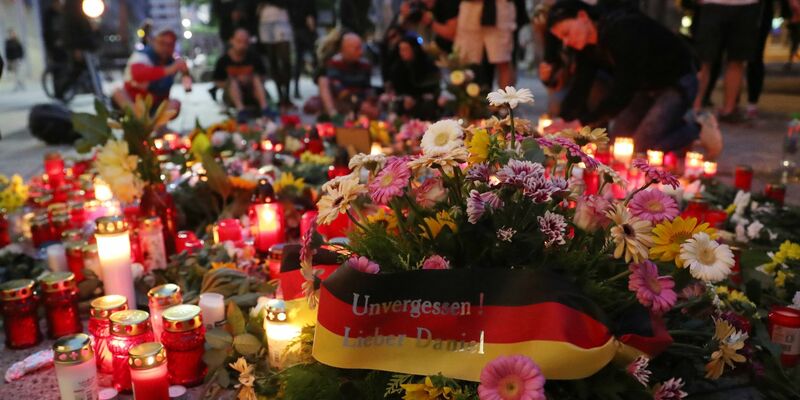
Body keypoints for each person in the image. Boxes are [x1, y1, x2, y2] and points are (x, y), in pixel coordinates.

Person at [547, 0, 722, 157]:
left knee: (641, 147)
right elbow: (581, 85)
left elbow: (622, 91)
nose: (566, 42)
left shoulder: (621, 30)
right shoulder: (586, 46)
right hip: (644, 87)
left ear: (583, 16)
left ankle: (696, 128)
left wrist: (581, 123)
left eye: (567, 33)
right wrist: (563, 119)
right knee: (620, 144)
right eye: (562, 38)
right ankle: (672, 129)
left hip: (676, 81)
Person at [692, 0, 761, 121]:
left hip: (747, 5)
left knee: (737, 58)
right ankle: (694, 108)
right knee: (703, 59)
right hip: (712, 4)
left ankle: (729, 110)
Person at [113, 29, 187, 115]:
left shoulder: (171, 61)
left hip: (154, 106)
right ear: (154, 41)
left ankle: (157, 126)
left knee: (175, 103)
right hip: (133, 103)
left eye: (170, 44)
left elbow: (166, 91)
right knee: (118, 92)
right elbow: (138, 74)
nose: (166, 48)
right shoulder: (142, 55)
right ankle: (139, 121)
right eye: (162, 43)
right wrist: (170, 69)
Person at [213, 28, 273, 122]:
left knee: (255, 78)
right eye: (239, 41)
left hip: (253, 92)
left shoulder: (254, 57)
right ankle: (241, 111)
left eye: (245, 42)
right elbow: (217, 81)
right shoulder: (223, 60)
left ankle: (265, 108)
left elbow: (264, 77)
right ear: (232, 40)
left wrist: (249, 79)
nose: (242, 45)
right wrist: (235, 81)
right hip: (232, 96)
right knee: (233, 81)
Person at [454, 0, 517, 89]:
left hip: (499, 9)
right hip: (470, 9)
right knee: (465, 58)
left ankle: (506, 101)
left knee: (503, 59)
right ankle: (465, 100)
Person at [318, 33, 375, 118]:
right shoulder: (334, 63)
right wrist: (359, 103)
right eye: (357, 48)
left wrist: (369, 100)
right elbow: (340, 90)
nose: (361, 52)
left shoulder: (365, 65)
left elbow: (367, 87)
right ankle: (334, 117)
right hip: (342, 101)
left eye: (361, 48)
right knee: (323, 81)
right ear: (345, 49)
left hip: (359, 100)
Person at [386, 35, 442, 119]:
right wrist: (405, 98)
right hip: (406, 101)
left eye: (405, 49)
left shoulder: (427, 63)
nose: (402, 53)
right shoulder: (397, 67)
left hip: (426, 100)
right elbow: (398, 90)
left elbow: (434, 85)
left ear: (414, 49)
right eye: (400, 49)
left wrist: (418, 98)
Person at [257, 0, 294, 109]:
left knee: (285, 60)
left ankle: (287, 95)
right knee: (272, 61)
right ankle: (280, 96)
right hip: (264, 20)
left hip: (281, 18)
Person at [289, 0, 318, 99]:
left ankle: (296, 89)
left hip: (297, 29)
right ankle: (321, 86)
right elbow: (310, 14)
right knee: (316, 59)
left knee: (298, 61)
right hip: (305, 30)